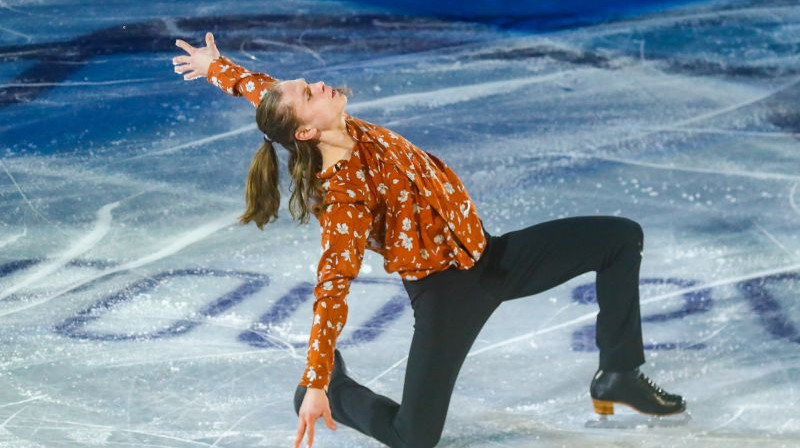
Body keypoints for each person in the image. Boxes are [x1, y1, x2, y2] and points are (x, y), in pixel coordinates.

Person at [172, 32, 687, 448]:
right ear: (305, 133)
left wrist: (219, 68)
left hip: (492, 256)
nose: (320, 85)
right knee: (414, 438)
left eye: (309, 83)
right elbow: (332, 287)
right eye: (309, 93)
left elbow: (261, 92)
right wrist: (316, 377)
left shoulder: (334, 124)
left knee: (620, 239)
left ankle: (618, 372)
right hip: (448, 293)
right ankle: (337, 389)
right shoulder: (345, 193)